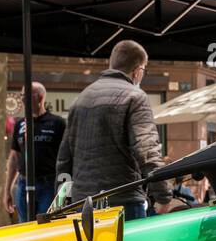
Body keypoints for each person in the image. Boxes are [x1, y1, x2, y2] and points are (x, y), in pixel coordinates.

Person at [55, 41, 168, 220]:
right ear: (138, 70)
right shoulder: (135, 96)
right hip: (123, 201)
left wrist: (62, 202)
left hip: (83, 205)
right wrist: (163, 196)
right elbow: (146, 150)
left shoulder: (80, 99)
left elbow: (64, 159)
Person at [6, 82, 66, 222]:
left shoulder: (57, 123)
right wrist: (7, 189)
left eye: (26, 95)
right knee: (25, 226)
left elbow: (66, 158)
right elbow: (14, 157)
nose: (22, 99)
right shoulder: (20, 124)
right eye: (21, 95)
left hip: (48, 184)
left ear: (40, 97)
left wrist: (65, 193)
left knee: (45, 225)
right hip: (23, 184)